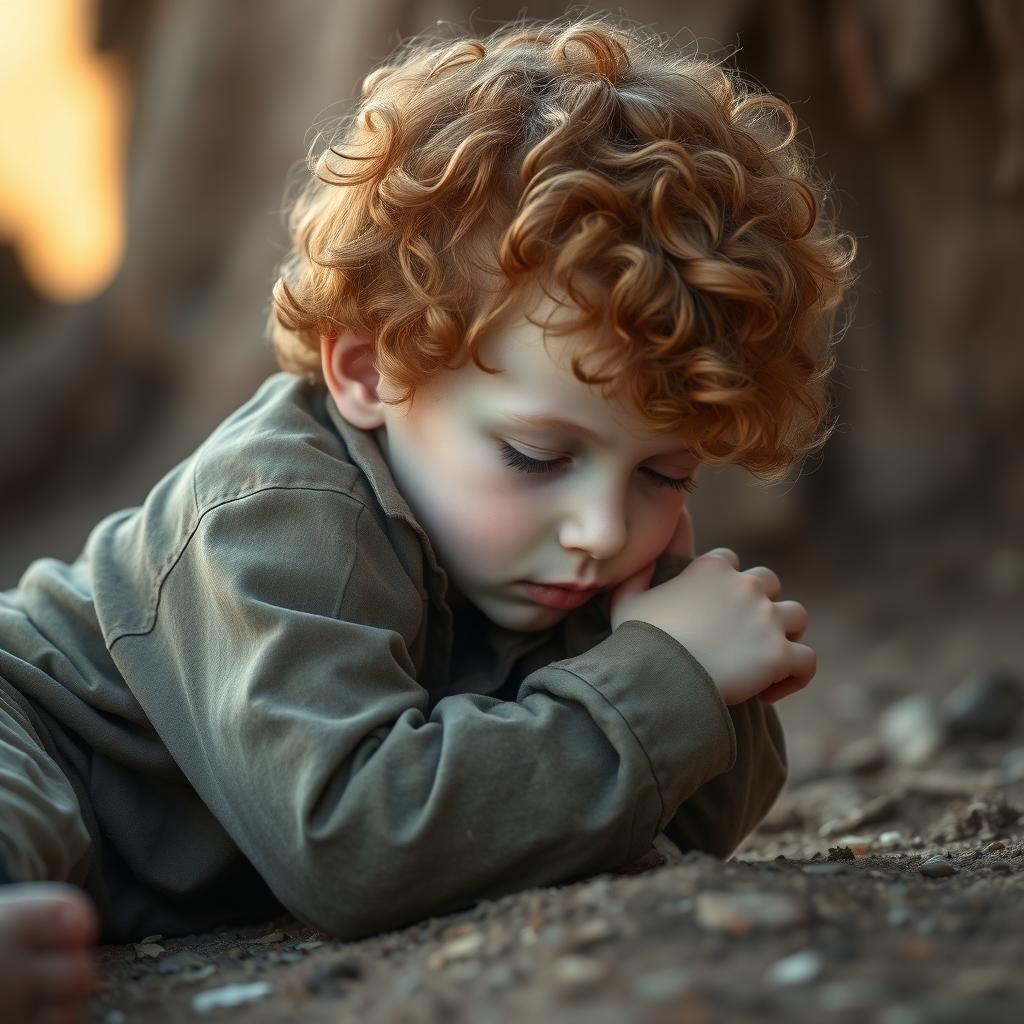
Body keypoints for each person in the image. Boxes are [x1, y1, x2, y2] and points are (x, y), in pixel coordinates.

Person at [0, 13, 854, 1021]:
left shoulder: (536, 543)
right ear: (367, 368)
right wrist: (663, 682)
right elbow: (355, 842)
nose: (598, 527)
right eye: (538, 456)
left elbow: (667, 823)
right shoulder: (281, 513)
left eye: (662, 473)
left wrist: (705, 669)